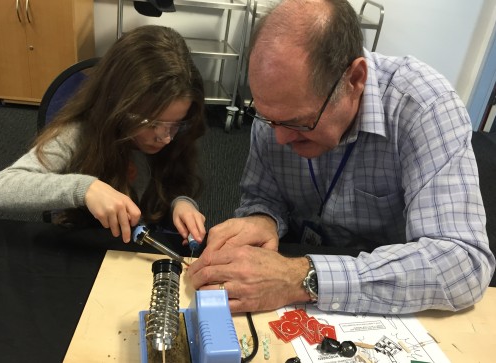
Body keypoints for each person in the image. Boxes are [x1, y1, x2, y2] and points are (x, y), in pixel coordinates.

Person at [188, 0, 495, 314]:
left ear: (355, 79)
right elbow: (263, 195)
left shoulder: (423, 106)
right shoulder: (280, 111)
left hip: (388, 292)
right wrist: (262, 219)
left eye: (299, 122)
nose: (279, 138)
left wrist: (304, 278)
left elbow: (464, 264)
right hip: (288, 275)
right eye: (267, 118)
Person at [0, 25, 207, 244]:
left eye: (175, 124)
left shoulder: (178, 131)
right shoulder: (79, 132)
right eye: (151, 123)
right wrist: (85, 189)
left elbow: (176, 181)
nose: (165, 137)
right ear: (119, 105)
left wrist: (182, 202)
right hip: (91, 245)